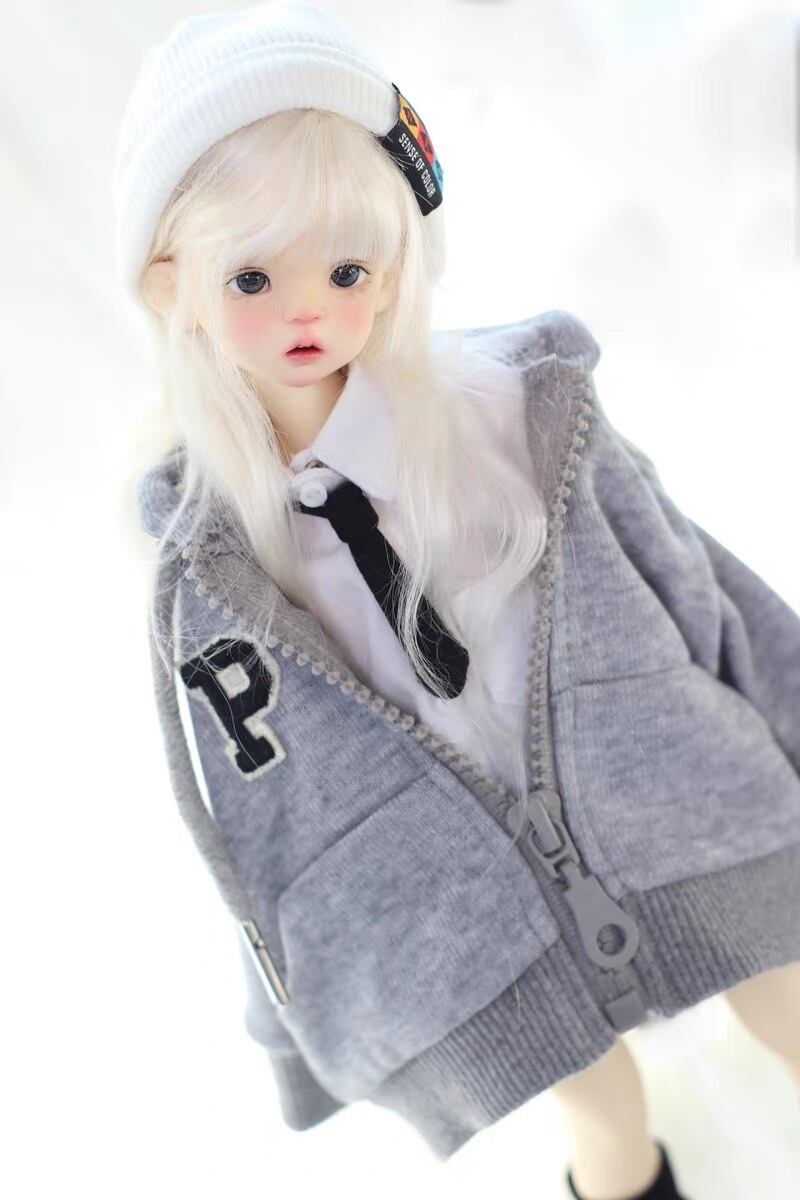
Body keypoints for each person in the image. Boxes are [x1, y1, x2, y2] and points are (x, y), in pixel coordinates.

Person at [114, 4, 800, 1197]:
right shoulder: (209, 567)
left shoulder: (514, 412)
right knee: (600, 1116)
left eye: (345, 269)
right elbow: (254, 817)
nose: (306, 310)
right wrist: (289, 1021)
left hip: (673, 803)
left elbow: (689, 577)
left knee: (781, 985)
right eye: (251, 276)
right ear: (172, 284)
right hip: (474, 915)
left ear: (394, 264)